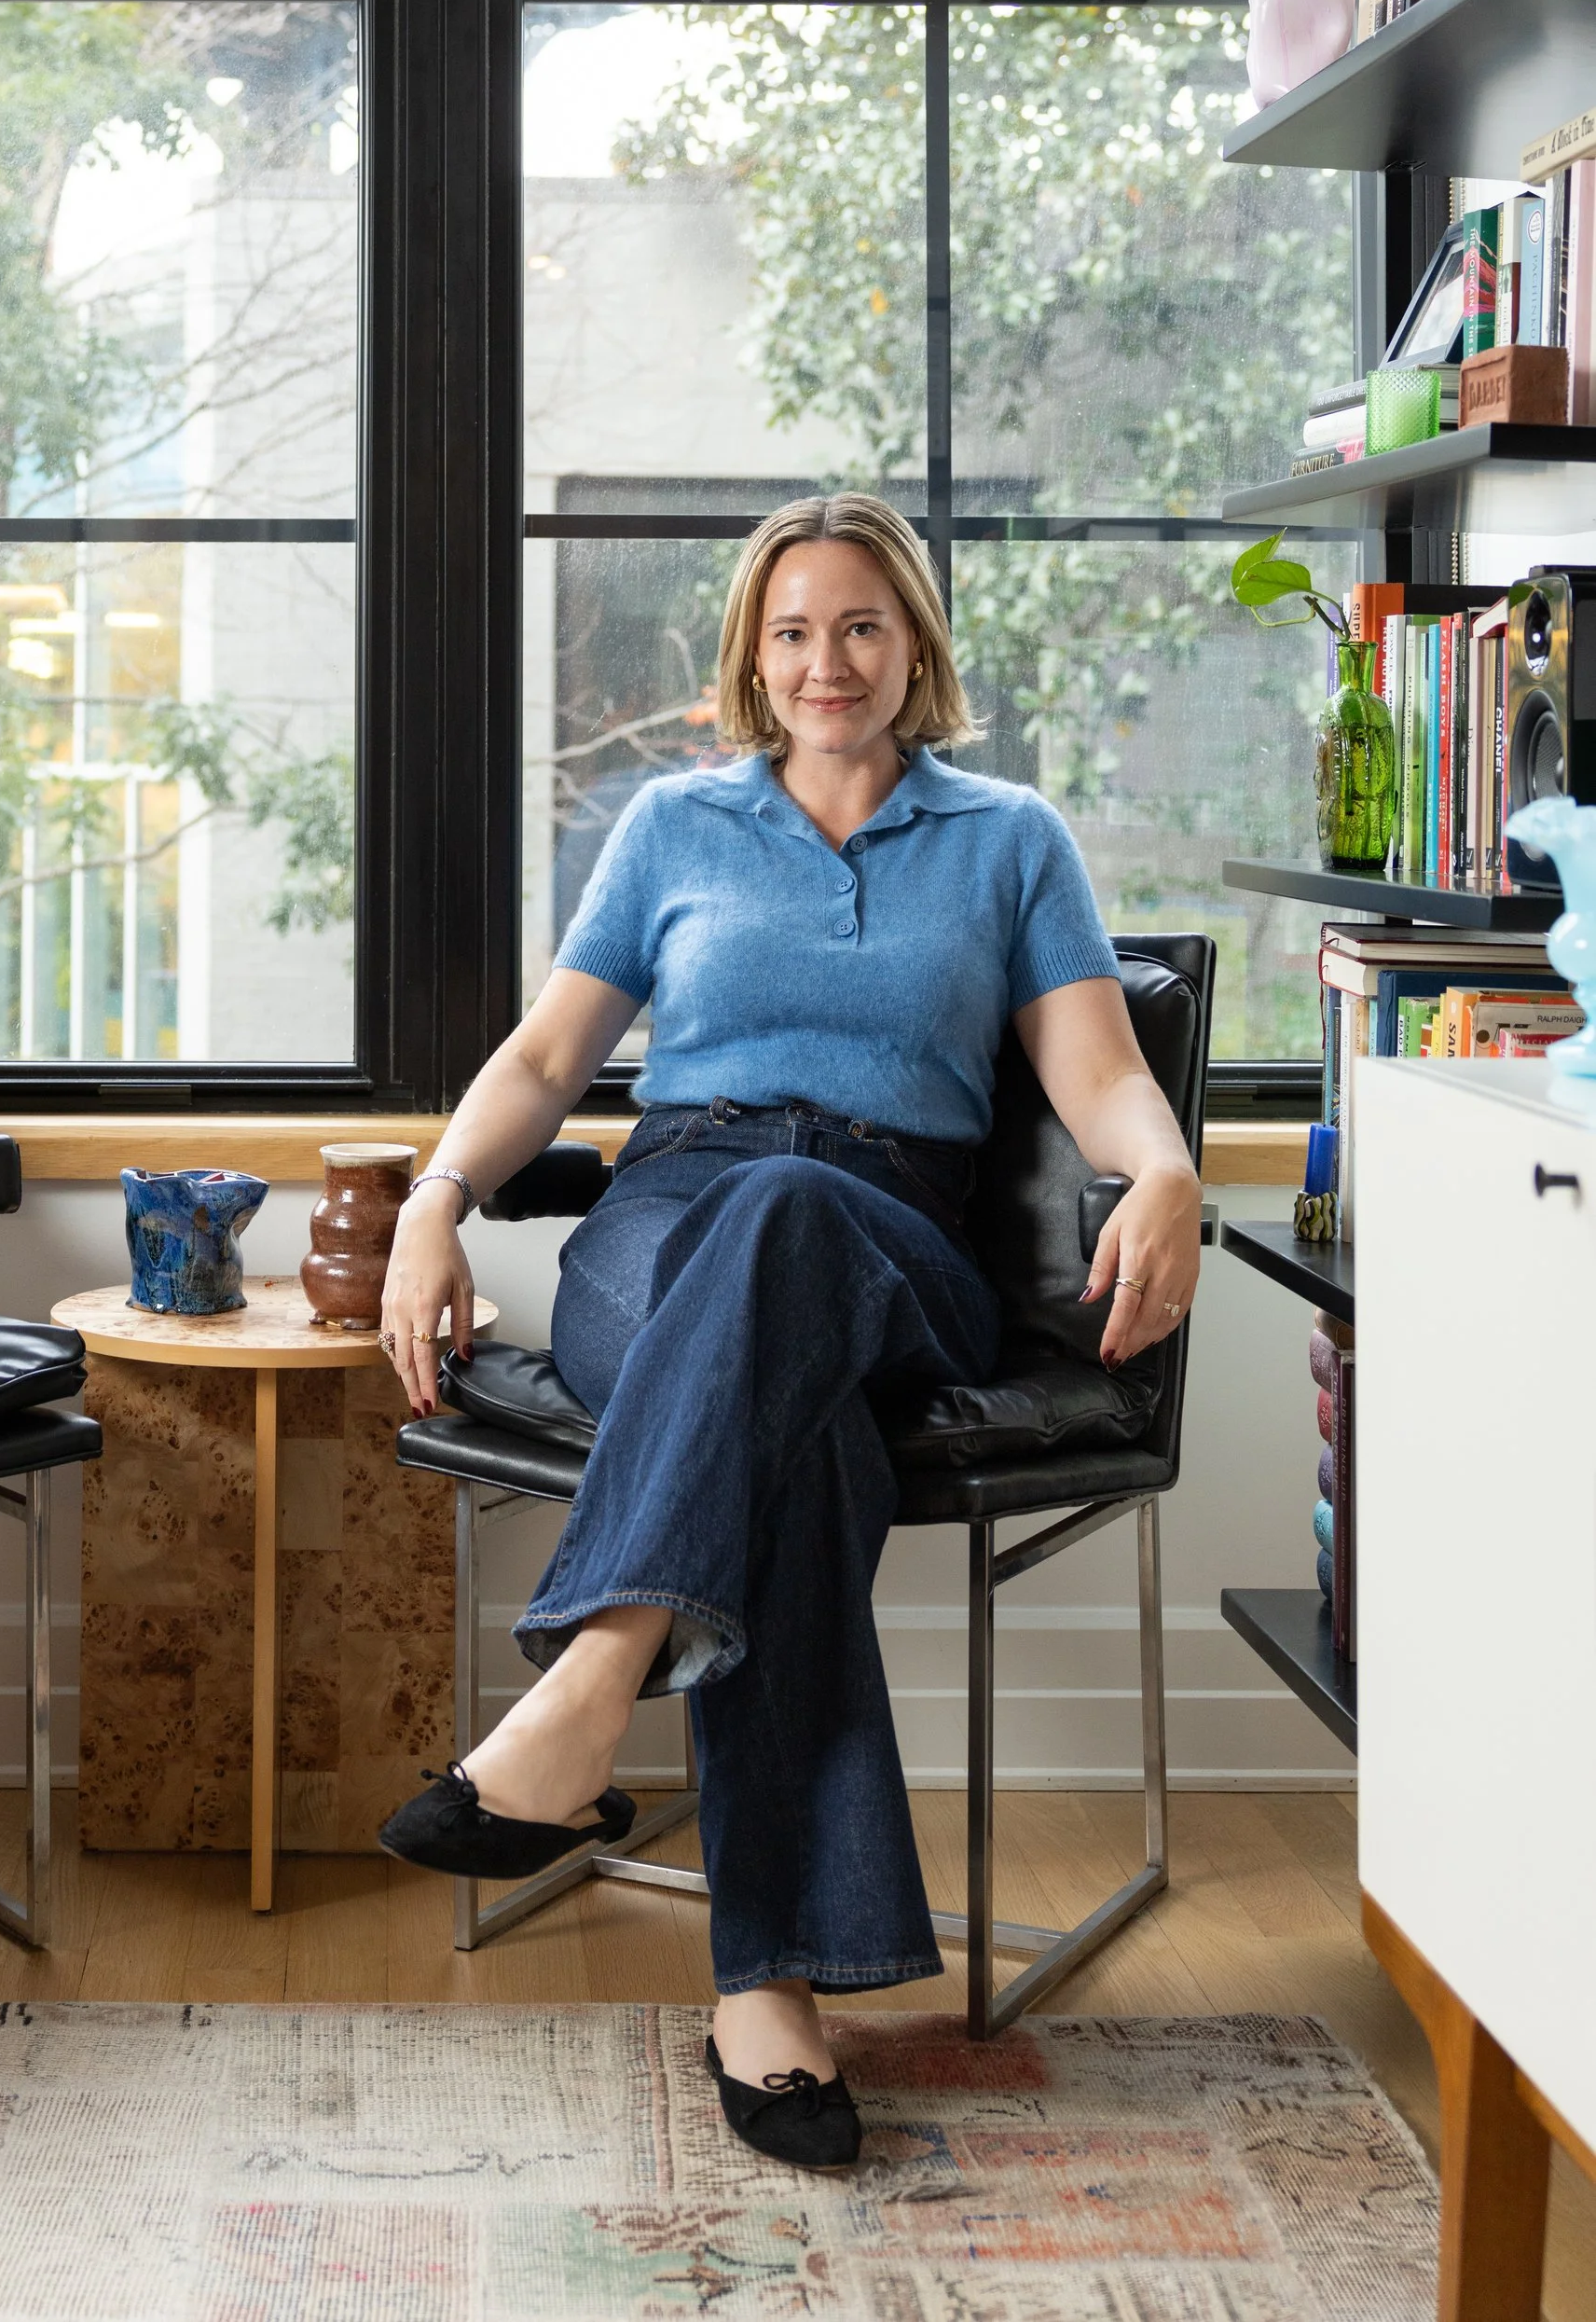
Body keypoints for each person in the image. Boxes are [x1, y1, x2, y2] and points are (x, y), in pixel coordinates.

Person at [376, 493, 1201, 2168]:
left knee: (792, 1216)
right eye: (794, 632)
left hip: (894, 1236)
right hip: (663, 1231)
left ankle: (593, 1678)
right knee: (794, 1439)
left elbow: (1097, 1068)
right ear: (755, 657)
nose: (830, 662)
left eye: (864, 627)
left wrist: (1170, 1167)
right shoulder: (672, 828)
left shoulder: (1009, 840)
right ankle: (768, 1991)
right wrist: (432, 1200)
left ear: (916, 644)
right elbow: (547, 1063)